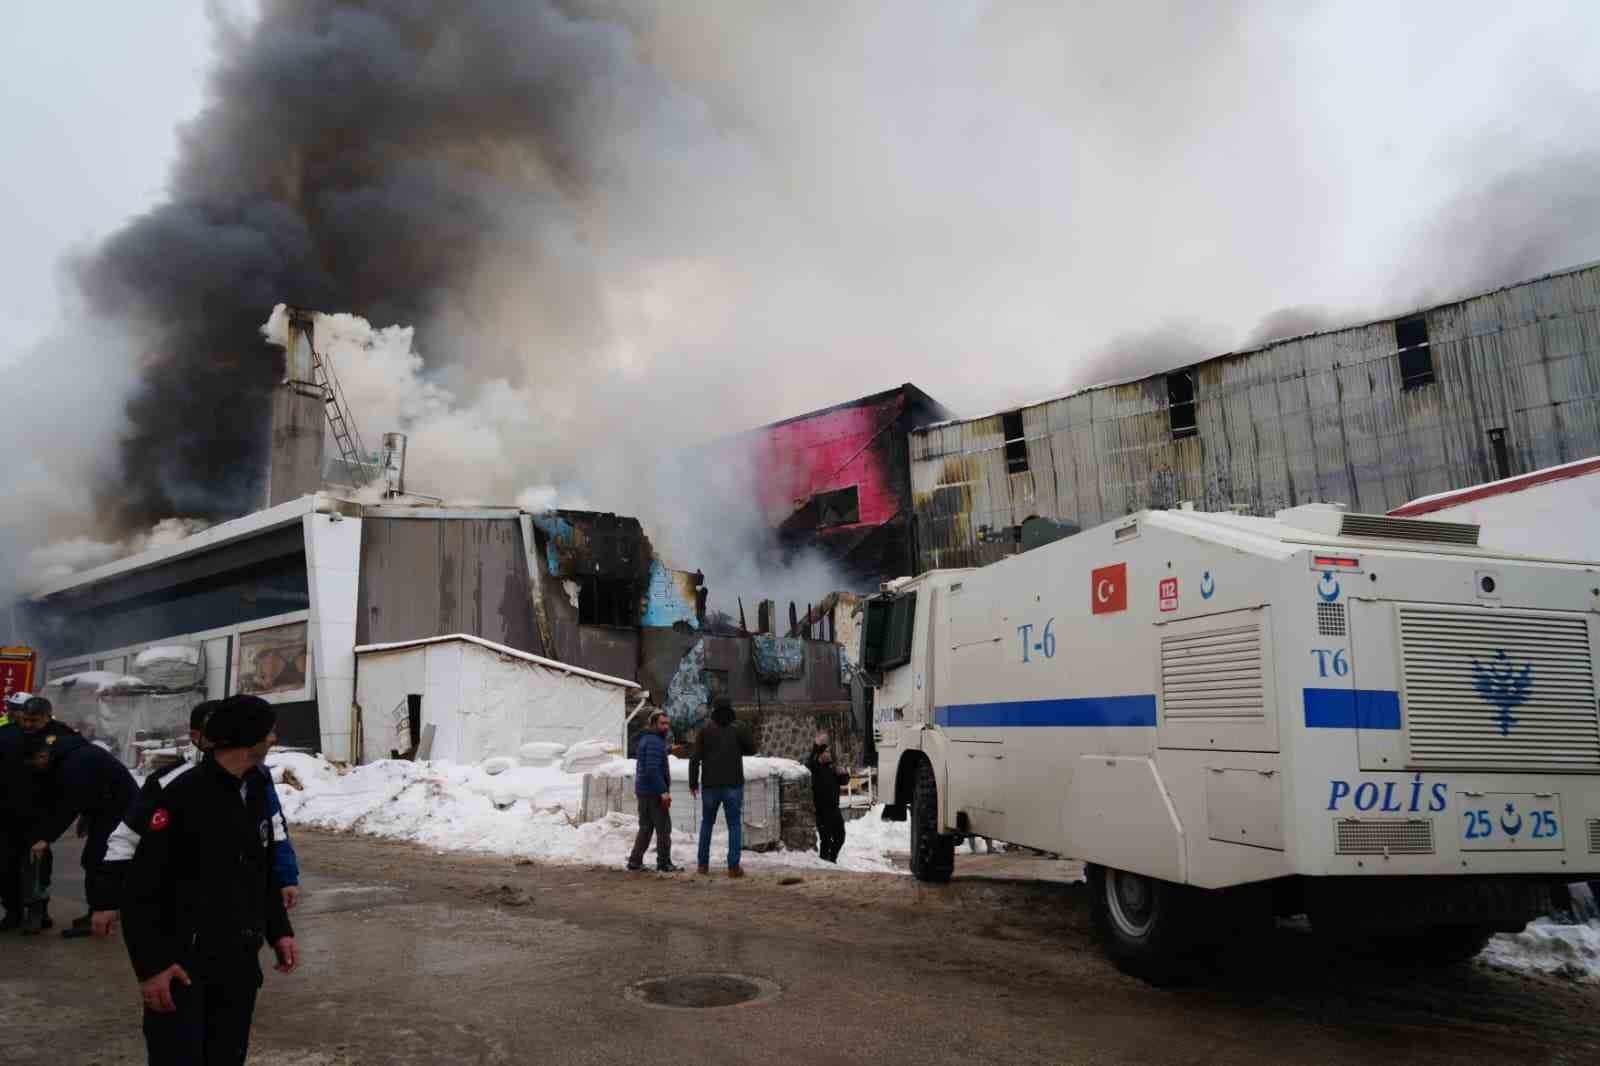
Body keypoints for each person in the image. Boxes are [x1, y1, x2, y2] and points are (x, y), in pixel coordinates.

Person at [120, 693, 298, 1066]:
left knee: (227, 1056)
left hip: (237, 963)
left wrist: (278, 930)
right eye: (269, 732)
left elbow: (258, 869)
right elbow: (141, 888)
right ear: (247, 738)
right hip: (184, 967)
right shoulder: (185, 795)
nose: (273, 740)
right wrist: (152, 967)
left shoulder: (254, 790)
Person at [92, 701, 301, 941]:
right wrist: (106, 900)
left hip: (240, 932)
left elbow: (271, 834)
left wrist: (285, 879)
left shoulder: (256, 780)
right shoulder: (171, 784)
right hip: (188, 932)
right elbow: (128, 842)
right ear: (197, 736)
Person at [24, 727, 137, 939]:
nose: (36, 769)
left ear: (43, 755)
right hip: (110, 808)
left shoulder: (74, 764)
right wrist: (88, 816)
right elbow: (92, 790)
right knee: (93, 860)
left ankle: (99, 915)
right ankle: (98, 910)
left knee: (98, 861)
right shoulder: (73, 753)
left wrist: (46, 838)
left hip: (119, 812)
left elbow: (68, 806)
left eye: (35, 763)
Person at [8, 695, 78, 932]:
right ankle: (12, 911)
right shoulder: (8, 733)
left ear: (48, 717)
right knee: (7, 863)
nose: (28, 725)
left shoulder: (64, 736)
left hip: (42, 810)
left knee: (37, 863)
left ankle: (38, 911)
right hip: (9, 809)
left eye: (34, 721)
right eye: (25, 719)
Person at [688, 696, 755, 878]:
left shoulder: (705, 729)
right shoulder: (738, 727)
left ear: (713, 709)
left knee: (707, 823)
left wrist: (693, 783)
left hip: (710, 785)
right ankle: (733, 867)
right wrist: (736, 749)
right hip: (733, 783)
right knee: (734, 825)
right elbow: (752, 748)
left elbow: (694, 758)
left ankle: (703, 865)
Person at [626, 711, 680, 873]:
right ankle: (664, 863)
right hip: (654, 793)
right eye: (662, 723)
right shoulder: (655, 742)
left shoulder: (648, 740)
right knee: (663, 829)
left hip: (644, 791)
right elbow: (651, 769)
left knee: (646, 828)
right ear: (653, 724)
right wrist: (663, 791)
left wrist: (668, 750)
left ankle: (635, 861)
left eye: (667, 724)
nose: (666, 727)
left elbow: (651, 759)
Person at [0, 691, 36, 928]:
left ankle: (19, 912)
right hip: (27, 810)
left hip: (13, 810)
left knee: (11, 864)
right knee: (24, 863)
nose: (11, 711)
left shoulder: (9, 734)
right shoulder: (40, 734)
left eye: (14, 707)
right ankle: (31, 912)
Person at [805, 733, 849, 863]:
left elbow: (844, 781)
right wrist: (816, 746)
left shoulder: (832, 768)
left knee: (840, 836)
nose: (829, 754)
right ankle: (824, 861)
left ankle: (832, 858)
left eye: (829, 752)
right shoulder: (815, 769)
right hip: (822, 811)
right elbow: (810, 761)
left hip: (835, 810)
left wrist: (844, 773)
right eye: (826, 752)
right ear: (820, 755)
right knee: (826, 838)